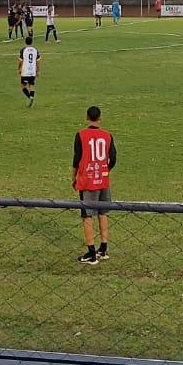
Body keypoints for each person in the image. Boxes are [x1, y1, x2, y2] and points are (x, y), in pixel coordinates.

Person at [73, 105, 115, 264]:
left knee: (87, 214)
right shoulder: (108, 136)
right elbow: (113, 158)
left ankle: (91, 253)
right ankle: (103, 249)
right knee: (103, 212)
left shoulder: (81, 135)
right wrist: (105, 170)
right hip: (103, 179)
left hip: (87, 180)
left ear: (86, 117)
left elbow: (76, 160)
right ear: (100, 118)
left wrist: (74, 178)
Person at [18, 37, 40, 107]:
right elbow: (38, 61)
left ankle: (30, 98)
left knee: (23, 86)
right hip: (32, 71)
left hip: (25, 71)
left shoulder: (23, 50)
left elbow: (20, 61)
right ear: (32, 42)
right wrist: (38, 71)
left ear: (25, 42)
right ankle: (32, 97)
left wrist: (18, 69)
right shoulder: (35, 50)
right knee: (32, 86)